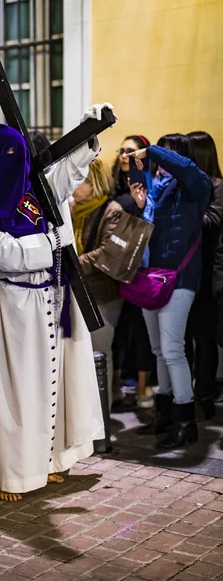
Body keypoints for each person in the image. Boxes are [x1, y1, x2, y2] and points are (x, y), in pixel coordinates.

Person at [0, 103, 112, 508]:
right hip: (12, 307)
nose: (18, 164)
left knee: (48, 385)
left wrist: (88, 132)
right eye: (10, 157)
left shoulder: (33, 189)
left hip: (48, 299)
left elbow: (63, 178)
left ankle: (44, 459)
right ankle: (10, 471)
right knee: (16, 394)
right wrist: (49, 244)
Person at [130, 134, 211, 449]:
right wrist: (141, 206)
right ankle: (164, 414)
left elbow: (187, 168)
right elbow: (148, 234)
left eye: (167, 153)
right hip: (152, 277)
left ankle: (185, 421)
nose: (160, 161)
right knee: (158, 350)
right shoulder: (157, 190)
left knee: (173, 349)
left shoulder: (195, 185)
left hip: (180, 278)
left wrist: (152, 150)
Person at [71, 158, 123, 406]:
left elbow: (107, 253)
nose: (72, 185)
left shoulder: (111, 210)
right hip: (78, 291)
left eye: (79, 179)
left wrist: (71, 263)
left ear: (94, 183)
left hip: (102, 294)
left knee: (99, 355)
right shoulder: (73, 210)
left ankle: (103, 420)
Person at [111, 135, 154, 410]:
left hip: (141, 262)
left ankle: (143, 386)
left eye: (131, 150)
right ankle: (113, 384)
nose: (124, 155)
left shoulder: (147, 185)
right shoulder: (113, 185)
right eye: (121, 150)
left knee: (140, 328)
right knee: (119, 327)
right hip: (115, 261)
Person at [185, 131, 223, 419]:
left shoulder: (217, 186)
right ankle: (184, 394)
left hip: (207, 271)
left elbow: (213, 220)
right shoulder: (184, 185)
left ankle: (205, 393)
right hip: (184, 270)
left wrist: (179, 216)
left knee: (204, 337)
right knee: (181, 338)